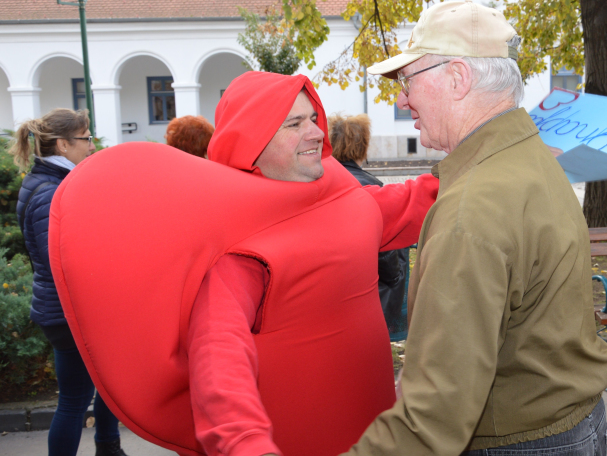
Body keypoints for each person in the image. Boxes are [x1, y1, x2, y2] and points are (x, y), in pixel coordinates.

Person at [47, 72, 438, 456]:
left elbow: (398, 207)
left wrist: (471, 172)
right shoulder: (241, 247)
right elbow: (219, 358)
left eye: (314, 118)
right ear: (252, 141)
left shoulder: (335, 190)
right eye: (295, 124)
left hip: (375, 430)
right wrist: (244, 442)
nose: (317, 132)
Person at [343, 1, 607, 456]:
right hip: (571, 420)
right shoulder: (530, 156)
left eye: (409, 81)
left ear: (457, 78)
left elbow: (432, 416)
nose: (402, 98)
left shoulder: (472, 209)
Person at [9, 109, 127, 456]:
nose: (92, 145)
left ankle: (108, 446)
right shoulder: (49, 191)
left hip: (69, 308)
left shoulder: (54, 182)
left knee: (108, 387)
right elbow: (61, 262)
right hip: (68, 312)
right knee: (74, 401)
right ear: (62, 144)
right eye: (86, 138)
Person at [329, 113, 410, 334]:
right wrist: (395, 277)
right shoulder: (372, 188)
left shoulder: (324, 183)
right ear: (363, 146)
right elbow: (386, 254)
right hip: (370, 298)